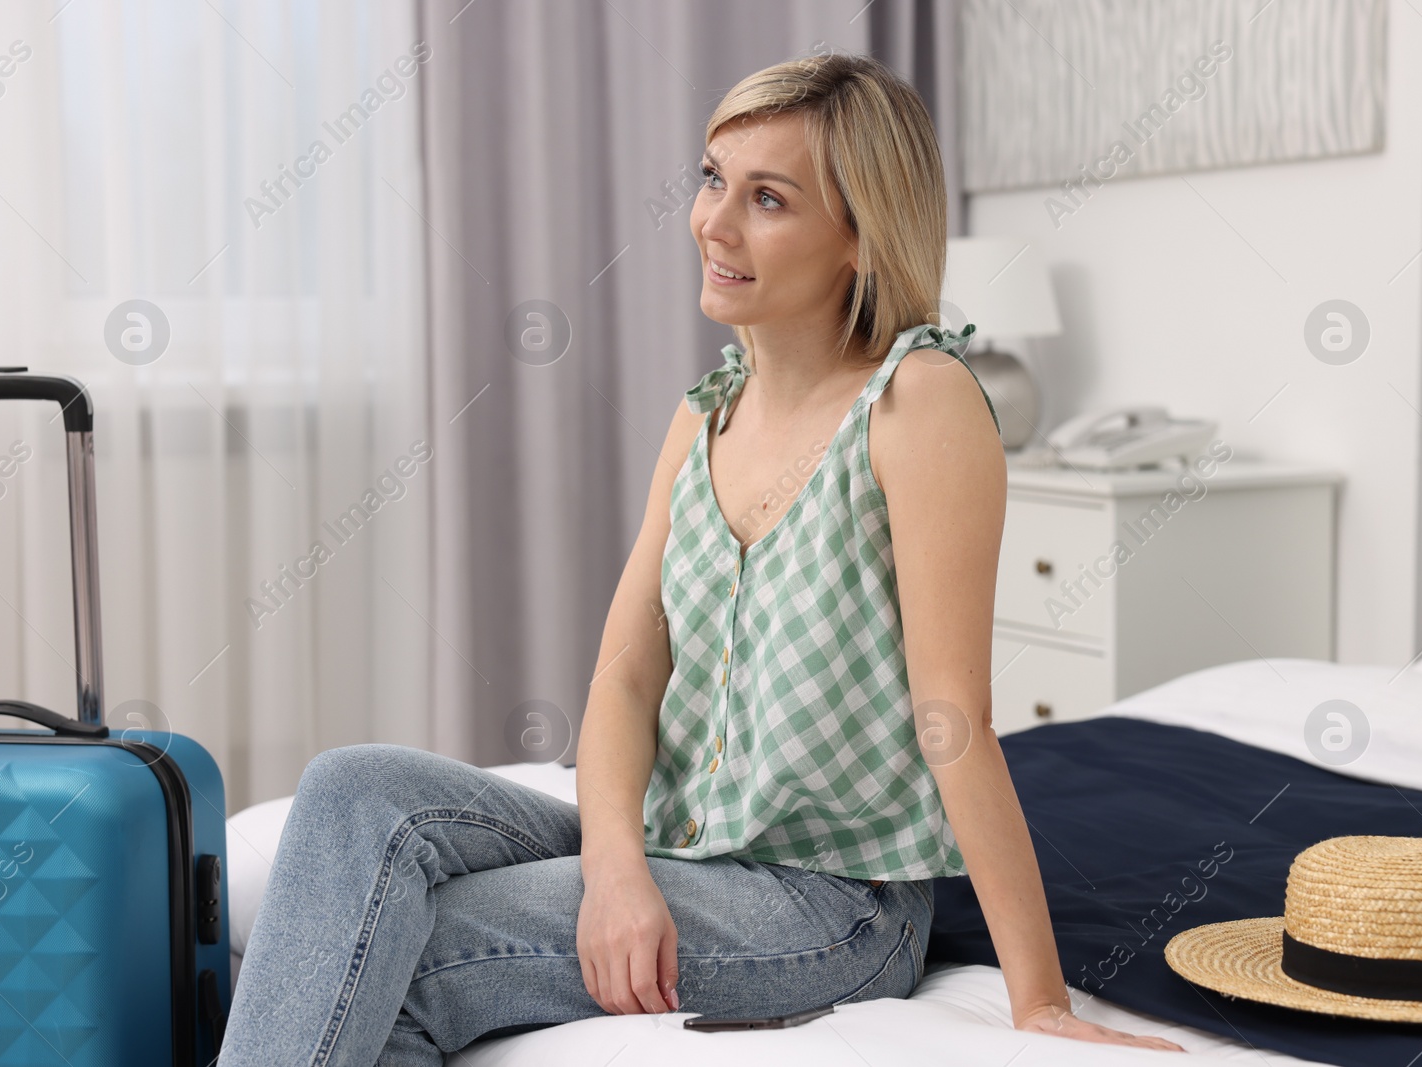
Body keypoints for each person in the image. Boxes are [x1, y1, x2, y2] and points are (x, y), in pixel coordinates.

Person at [219, 49, 1185, 1065]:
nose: (713, 222)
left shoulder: (917, 401)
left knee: (409, 950)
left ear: (859, 236)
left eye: (767, 198)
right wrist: (617, 868)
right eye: (713, 178)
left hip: (828, 900)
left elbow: (957, 721)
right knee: (352, 788)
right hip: (683, 842)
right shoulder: (705, 412)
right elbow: (627, 674)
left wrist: (1036, 1000)